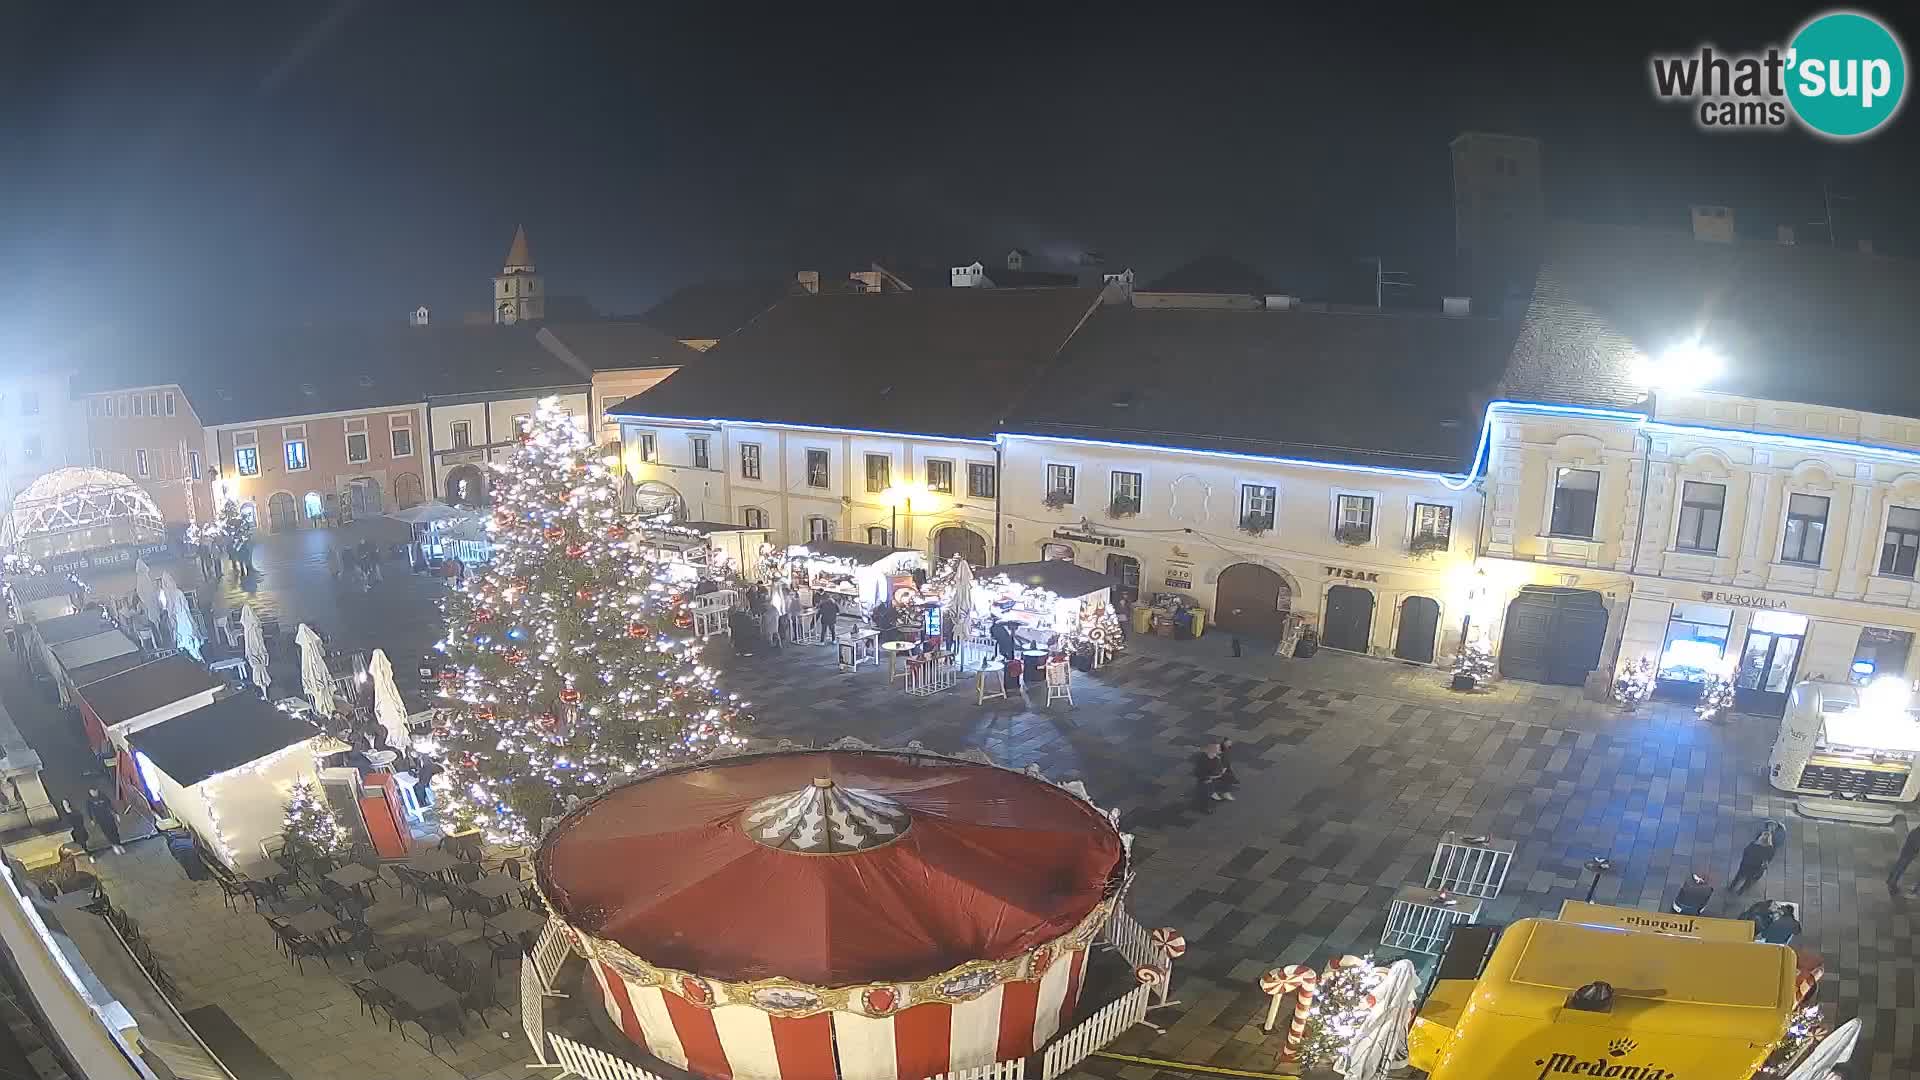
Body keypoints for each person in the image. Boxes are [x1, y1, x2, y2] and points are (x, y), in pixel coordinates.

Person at [1730, 827, 1777, 894]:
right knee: (1749, 880)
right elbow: (1769, 859)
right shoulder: (1770, 849)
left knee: (1738, 876)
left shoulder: (1753, 845)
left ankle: (1732, 887)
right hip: (1755, 868)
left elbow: (1745, 852)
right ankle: (1741, 891)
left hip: (1745, 864)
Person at [1192, 743, 1227, 810]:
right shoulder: (1202, 759)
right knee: (1204, 792)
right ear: (1212, 750)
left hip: (1211, 779)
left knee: (1210, 788)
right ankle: (1205, 805)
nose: (1220, 749)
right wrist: (1207, 778)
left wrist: (1221, 772)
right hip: (1204, 779)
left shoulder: (1217, 759)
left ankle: (1211, 794)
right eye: (1218, 748)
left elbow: (1219, 770)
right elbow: (1197, 772)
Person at [1889, 820, 1920, 896]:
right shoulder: (1917, 835)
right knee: (1902, 865)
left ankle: (1891, 880)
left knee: (1901, 864)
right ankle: (1892, 883)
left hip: (1909, 848)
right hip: (1911, 849)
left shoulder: (1914, 832)